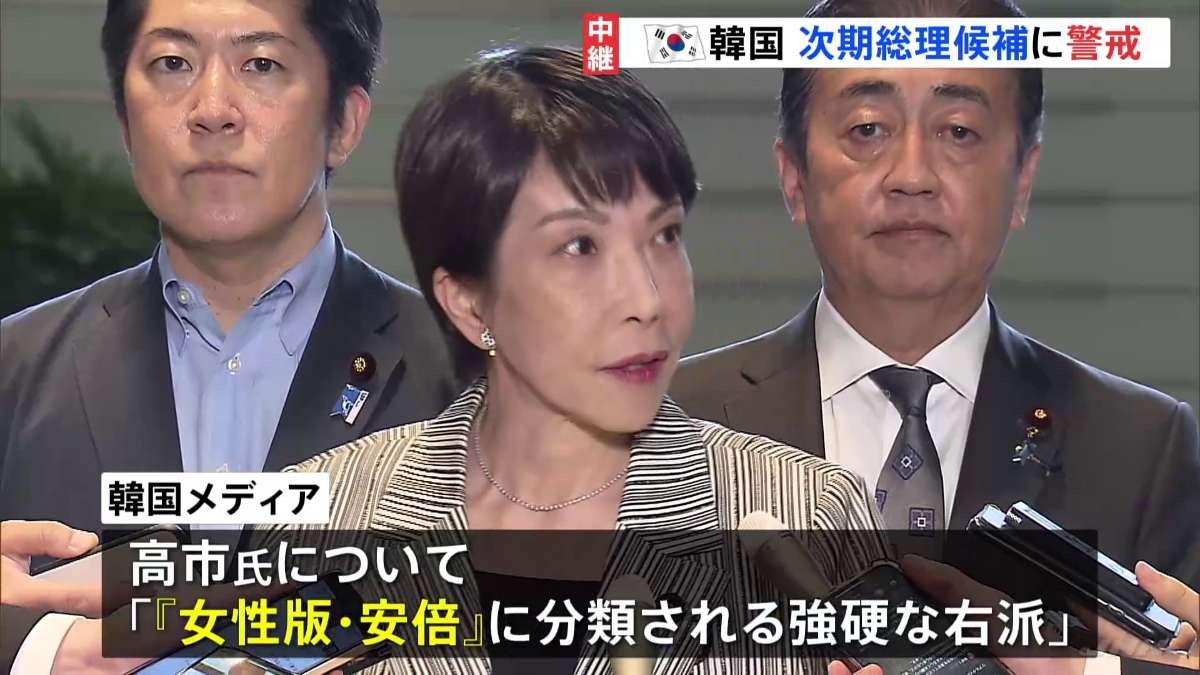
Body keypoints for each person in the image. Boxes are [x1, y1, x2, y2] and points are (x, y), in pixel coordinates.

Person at [243, 45, 889, 673]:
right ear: (468, 301)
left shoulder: (805, 515)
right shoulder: (326, 521)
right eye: (581, 246)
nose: (647, 300)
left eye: (665, 234)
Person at [672, 0, 1200, 608]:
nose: (913, 175)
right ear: (794, 176)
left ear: (1022, 181)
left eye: (959, 132)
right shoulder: (670, 425)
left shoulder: (1142, 449)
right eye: (868, 129)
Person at [0, 0, 459, 671]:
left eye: (261, 64)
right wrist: (37, 649)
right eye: (172, 63)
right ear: (125, 120)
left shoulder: (470, 382)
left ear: (344, 122)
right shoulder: (15, 372)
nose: (213, 109)